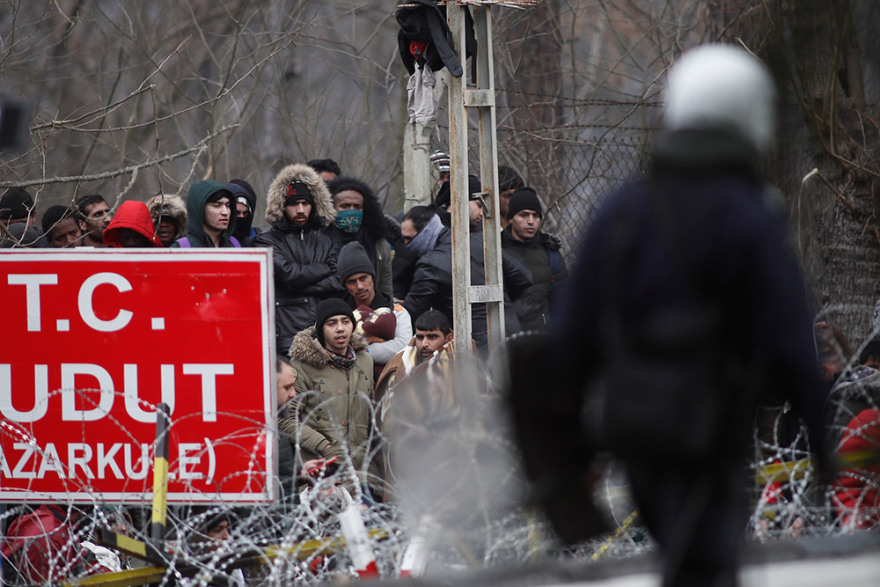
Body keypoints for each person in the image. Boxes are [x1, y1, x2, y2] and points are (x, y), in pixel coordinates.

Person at [535, 45, 832, 586]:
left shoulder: (623, 209)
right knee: (708, 564)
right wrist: (822, 434)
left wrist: (568, 448)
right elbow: (791, 335)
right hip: (713, 426)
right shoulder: (750, 215)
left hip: (633, 426)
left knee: (681, 557)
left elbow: (572, 337)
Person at [281, 299, 377, 497]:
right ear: (321, 329)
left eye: (345, 321)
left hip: (362, 473)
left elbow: (371, 412)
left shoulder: (365, 360)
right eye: (332, 323)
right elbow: (286, 418)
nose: (340, 328)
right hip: (323, 473)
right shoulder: (303, 365)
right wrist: (324, 445)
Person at [253, 164, 343, 351]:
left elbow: (338, 280)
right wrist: (324, 268)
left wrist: (298, 285)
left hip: (325, 337)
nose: (300, 210)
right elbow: (289, 275)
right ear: (282, 206)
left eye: (305, 203)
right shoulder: (266, 241)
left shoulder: (327, 238)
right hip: (286, 339)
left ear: (314, 205)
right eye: (294, 204)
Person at [337, 241, 412, 379]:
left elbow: (403, 347)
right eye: (352, 281)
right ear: (345, 285)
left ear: (372, 277)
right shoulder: (337, 315)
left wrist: (360, 351)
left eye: (363, 278)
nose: (359, 286)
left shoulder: (397, 312)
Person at [500, 187, 567, 332]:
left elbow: (562, 299)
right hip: (503, 336)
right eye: (523, 215)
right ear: (511, 218)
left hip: (541, 338)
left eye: (536, 216)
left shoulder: (551, 253)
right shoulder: (495, 251)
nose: (531, 221)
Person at [326, 176, 394, 298]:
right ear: (332, 208)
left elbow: (385, 288)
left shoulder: (378, 246)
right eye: (345, 206)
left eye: (357, 207)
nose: (352, 211)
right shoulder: (319, 241)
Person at [374, 309, 453, 404]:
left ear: (449, 338)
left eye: (432, 337)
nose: (424, 344)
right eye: (420, 337)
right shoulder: (400, 364)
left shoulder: (460, 360)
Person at [172, 180, 239, 248]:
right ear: (199, 208)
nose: (225, 212)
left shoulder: (234, 245)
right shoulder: (181, 249)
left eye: (227, 205)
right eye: (216, 206)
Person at [228, 179, 260, 246]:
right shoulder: (216, 241)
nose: (241, 217)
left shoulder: (260, 240)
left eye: (245, 214)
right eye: (237, 213)